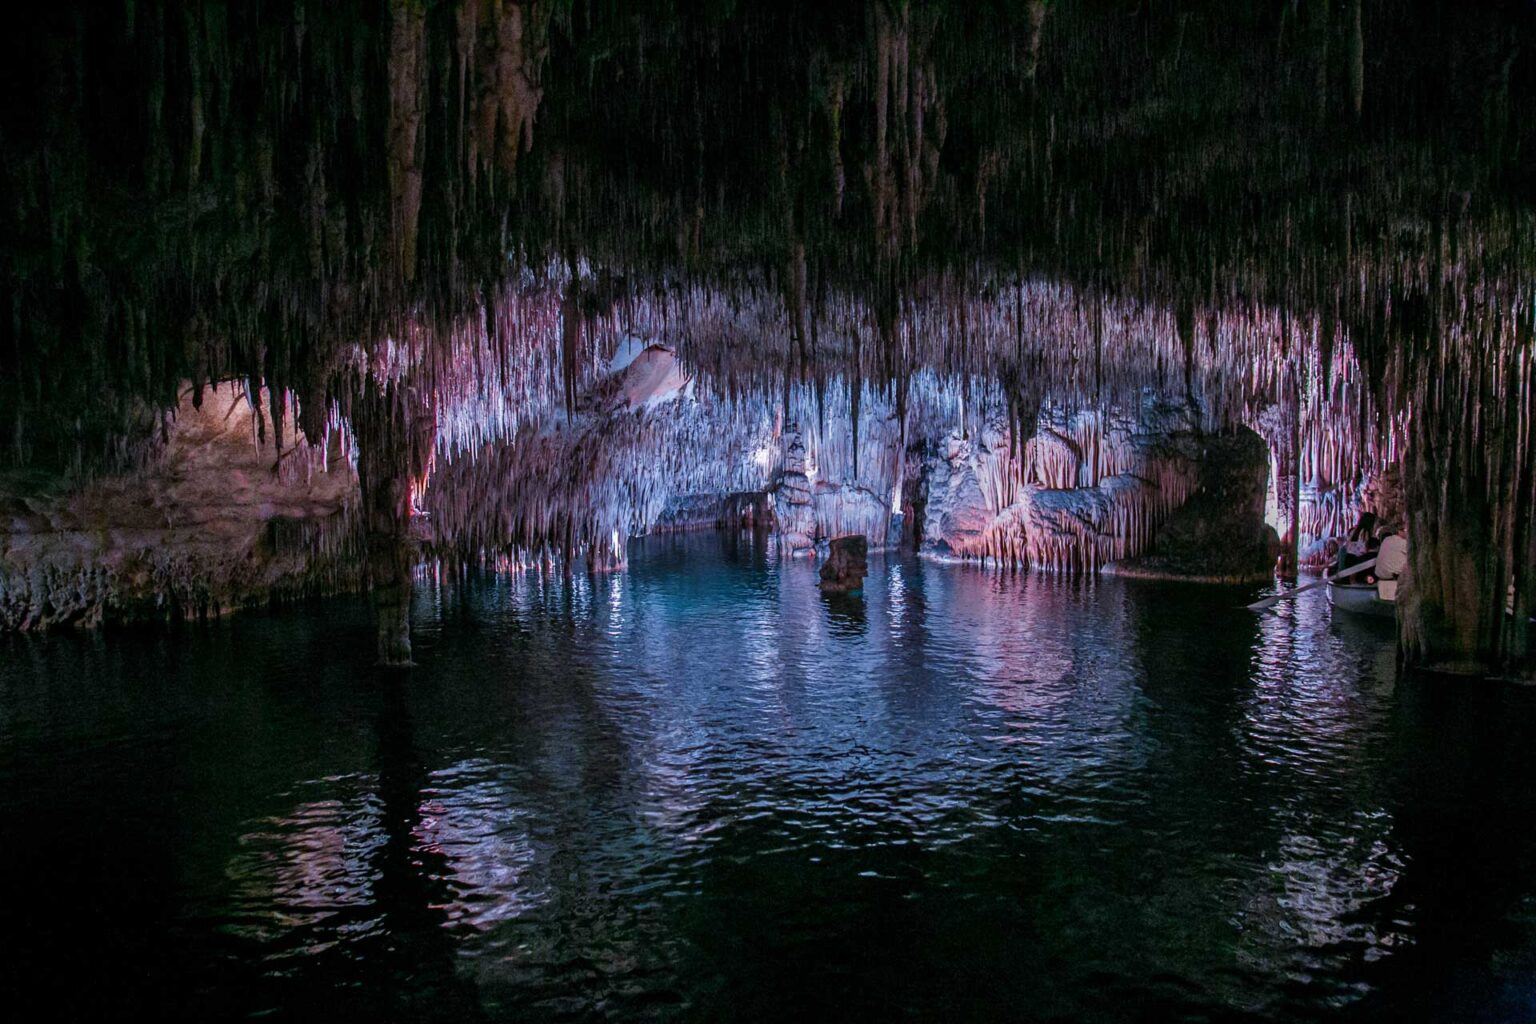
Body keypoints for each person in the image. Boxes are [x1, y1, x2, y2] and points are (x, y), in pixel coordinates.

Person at [1337, 511, 1379, 576]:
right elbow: (1363, 549)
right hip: (1354, 557)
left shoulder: (1356, 530)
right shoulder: (1365, 532)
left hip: (1347, 554)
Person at [1375, 526, 1408, 601]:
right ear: (1400, 532)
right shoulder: (1403, 542)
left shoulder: (1386, 540)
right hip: (1394, 576)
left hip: (1380, 574)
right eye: (1406, 530)